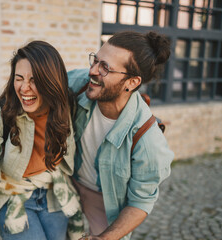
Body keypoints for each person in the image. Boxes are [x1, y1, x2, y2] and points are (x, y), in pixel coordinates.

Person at [0, 41, 83, 240]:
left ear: (51, 81)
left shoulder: (66, 106)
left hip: (53, 193)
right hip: (13, 195)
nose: (24, 88)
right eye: (19, 78)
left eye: (34, 80)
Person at [69, 31, 175, 240]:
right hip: (67, 186)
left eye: (105, 67)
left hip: (105, 205)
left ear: (132, 83)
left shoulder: (148, 140)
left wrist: (104, 238)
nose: (92, 71)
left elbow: (140, 203)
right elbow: (30, 89)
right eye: (95, 61)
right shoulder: (79, 83)